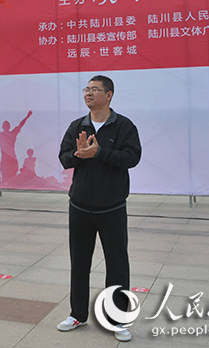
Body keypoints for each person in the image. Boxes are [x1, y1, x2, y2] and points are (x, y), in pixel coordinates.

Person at [57, 75, 141, 342]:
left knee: (117, 265)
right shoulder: (77, 126)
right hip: (79, 206)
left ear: (109, 95)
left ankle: (117, 320)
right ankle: (77, 314)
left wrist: (100, 152)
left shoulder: (124, 126)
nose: (88, 94)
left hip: (112, 208)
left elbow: (132, 158)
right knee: (79, 263)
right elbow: (64, 158)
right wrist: (78, 156)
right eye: (86, 89)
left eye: (95, 90)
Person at [0, 110, 33, 181]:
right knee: (8, 178)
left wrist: (27, 117)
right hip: (8, 159)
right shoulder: (5, 134)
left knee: (10, 178)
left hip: (10, 159)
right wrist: (27, 116)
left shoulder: (6, 134)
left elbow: (20, 125)